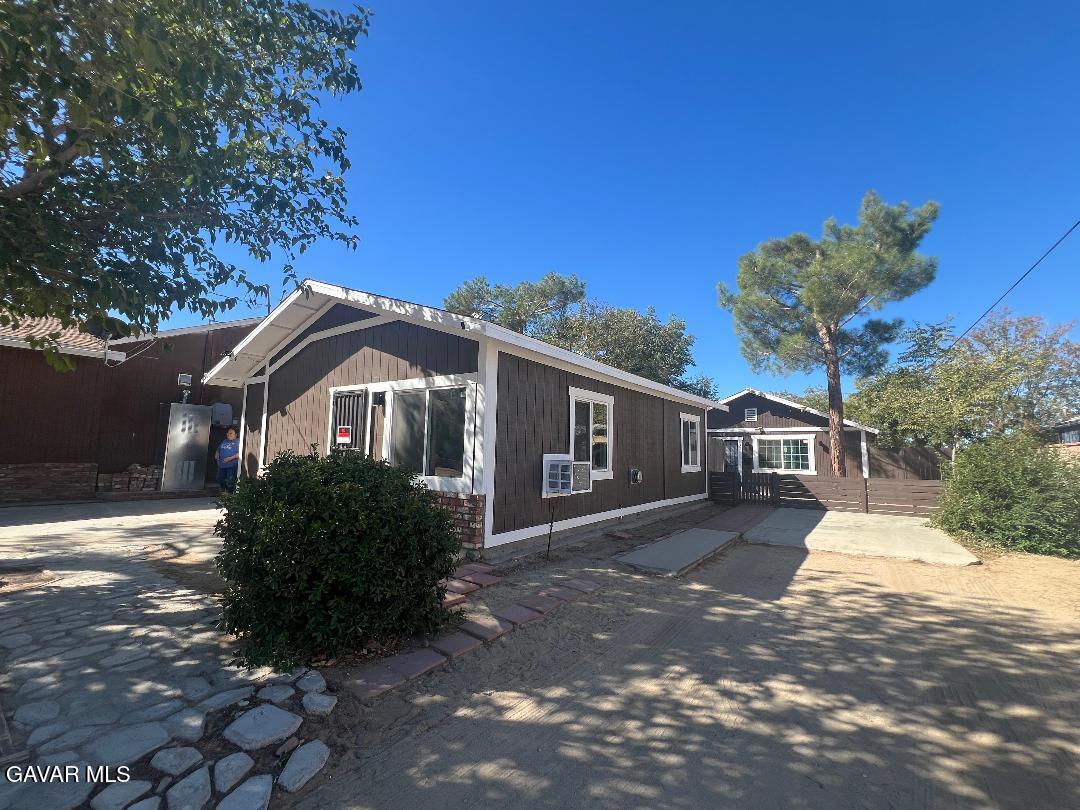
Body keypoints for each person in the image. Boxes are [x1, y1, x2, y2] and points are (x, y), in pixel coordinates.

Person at [215, 427, 240, 494]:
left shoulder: (238, 441)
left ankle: (230, 495)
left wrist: (230, 458)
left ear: (235, 435)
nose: (228, 434)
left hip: (231, 465)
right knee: (220, 479)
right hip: (222, 465)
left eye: (231, 433)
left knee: (230, 481)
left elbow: (240, 453)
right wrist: (217, 453)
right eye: (228, 433)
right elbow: (218, 449)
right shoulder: (224, 441)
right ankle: (224, 492)